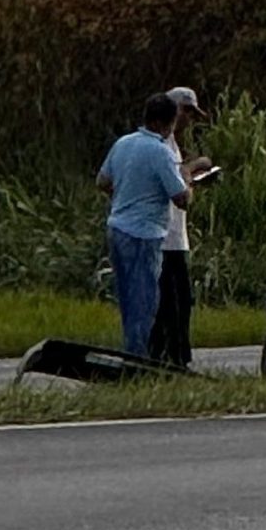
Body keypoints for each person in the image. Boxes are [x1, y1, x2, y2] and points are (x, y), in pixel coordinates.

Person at [97, 93, 188, 360]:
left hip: (117, 227)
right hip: (144, 233)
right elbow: (180, 198)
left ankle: (132, 347)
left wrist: (124, 194)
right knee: (144, 298)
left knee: (127, 296)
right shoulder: (160, 152)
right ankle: (138, 357)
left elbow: (102, 181)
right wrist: (188, 179)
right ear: (166, 123)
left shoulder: (123, 143)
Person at [154, 85, 213, 368]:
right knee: (172, 301)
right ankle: (170, 356)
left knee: (181, 299)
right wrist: (192, 169)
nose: (189, 119)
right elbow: (177, 185)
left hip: (177, 236)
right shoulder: (161, 145)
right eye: (186, 111)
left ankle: (177, 354)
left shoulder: (173, 144)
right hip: (165, 236)